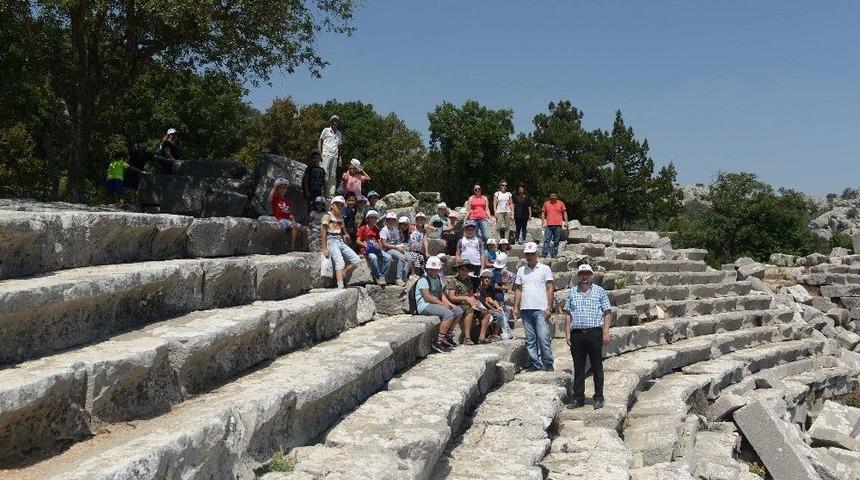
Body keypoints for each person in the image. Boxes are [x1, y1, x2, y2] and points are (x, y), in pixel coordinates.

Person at [565, 264, 613, 410]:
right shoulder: (572, 292)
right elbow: (567, 314)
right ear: (578, 276)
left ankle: (598, 397)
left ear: (592, 275)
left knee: (597, 366)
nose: (584, 277)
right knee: (578, 367)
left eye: (587, 274)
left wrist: (605, 332)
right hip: (577, 334)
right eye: (582, 274)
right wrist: (567, 333)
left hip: (594, 333)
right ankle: (578, 397)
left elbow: (607, 312)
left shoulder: (600, 291)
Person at [513, 241, 555, 371]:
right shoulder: (521, 270)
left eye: (532, 254)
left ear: (537, 254)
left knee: (543, 337)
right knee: (530, 339)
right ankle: (535, 363)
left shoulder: (545, 268)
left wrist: (549, 307)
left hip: (540, 308)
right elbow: (518, 289)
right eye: (527, 254)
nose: (530, 256)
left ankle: (547, 363)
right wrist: (516, 307)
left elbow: (550, 288)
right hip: (526, 309)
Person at [415, 256, 463, 353]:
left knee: (458, 311)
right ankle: (438, 341)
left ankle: (448, 336)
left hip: (435, 302)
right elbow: (427, 297)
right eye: (431, 269)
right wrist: (442, 304)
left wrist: (449, 304)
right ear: (427, 269)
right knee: (448, 314)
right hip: (425, 305)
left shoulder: (437, 278)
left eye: (435, 269)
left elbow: (441, 294)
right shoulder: (423, 280)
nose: (433, 271)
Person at [321, 195, 361, 289]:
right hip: (331, 240)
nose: (339, 206)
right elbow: (323, 231)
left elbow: (342, 227)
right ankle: (340, 286)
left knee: (357, 260)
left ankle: (344, 272)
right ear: (332, 205)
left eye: (341, 205)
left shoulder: (340, 216)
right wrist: (324, 248)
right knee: (340, 262)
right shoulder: (327, 215)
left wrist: (345, 234)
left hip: (340, 240)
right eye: (337, 204)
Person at [268, 177, 308, 251]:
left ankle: (304, 249)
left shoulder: (288, 201)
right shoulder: (275, 198)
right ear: (277, 188)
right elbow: (269, 199)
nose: (282, 189)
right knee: (294, 226)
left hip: (288, 220)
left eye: (284, 187)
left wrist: (293, 220)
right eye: (280, 187)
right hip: (280, 220)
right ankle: (292, 248)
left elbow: (291, 213)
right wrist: (275, 186)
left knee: (304, 229)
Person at [446, 261, 481, 345]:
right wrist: (466, 298)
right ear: (458, 270)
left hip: (466, 303)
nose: (465, 272)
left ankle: (482, 336)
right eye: (463, 270)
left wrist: (474, 299)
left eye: (467, 270)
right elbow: (451, 297)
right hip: (457, 304)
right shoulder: (453, 280)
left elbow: (471, 295)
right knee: (469, 310)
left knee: (485, 312)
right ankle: (467, 337)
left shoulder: (468, 280)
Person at [356, 210, 390, 285]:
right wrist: (365, 245)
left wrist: (380, 245)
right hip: (367, 249)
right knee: (373, 258)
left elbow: (378, 238)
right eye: (372, 217)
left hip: (375, 248)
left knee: (388, 257)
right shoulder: (363, 228)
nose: (374, 219)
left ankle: (382, 276)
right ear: (367, 218)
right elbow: (358, 241)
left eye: (375, 217)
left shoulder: (375, 229)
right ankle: (377, 276)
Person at [478, 269, 512, 342]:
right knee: (498, 315)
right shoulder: (480, 289)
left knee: (504, 313)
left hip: (491, 307)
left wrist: (498, 307)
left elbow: (494, 300)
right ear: (481, 279)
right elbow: (484, 302)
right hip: (484, 308)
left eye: (489, 278)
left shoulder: (491, 288)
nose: (487, 279)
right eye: (485, 277)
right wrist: (494, 309)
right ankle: (493, 334)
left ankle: (497, 333)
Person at [380, 212, 410, 286]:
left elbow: (397, 242)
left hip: (395, 248)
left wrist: (401, 246)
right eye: (389, 220)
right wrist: (396, 247)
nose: (391, 222)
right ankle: (398, 279)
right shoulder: (384, 230)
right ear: (386, 221)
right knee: (402, 257)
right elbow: (384, 244)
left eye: (393, 220)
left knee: (409, 257)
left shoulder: (395, 230)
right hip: (387, 249)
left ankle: (404, 277)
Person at [318, 115, 342, 196]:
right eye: (333, 121)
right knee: (324, 174)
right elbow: (320, 140)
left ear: (338, 123)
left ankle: (330, 195)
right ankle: (321, 192)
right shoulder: (326, 130)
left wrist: (340, 157)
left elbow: (339, 146)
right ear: (331, 122)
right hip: (325, 154)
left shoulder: (339, 134)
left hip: (334, 156)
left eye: (336, 121)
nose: (335, 122)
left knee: (332, 176)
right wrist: (319, 152)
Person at [541, 192, 568, 258]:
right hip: (549, 225)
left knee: (556, 241)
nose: (553, 196)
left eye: (554, 195)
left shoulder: (561, 203)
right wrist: (542, 222)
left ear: (557, 196)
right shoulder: (546, 203)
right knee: (546, 240)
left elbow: (564, 213)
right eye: (551, 195)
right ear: (549, 196)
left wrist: (566, 222)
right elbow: (543, 213)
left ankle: (554, 255)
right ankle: (544, 254)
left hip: (558, 225)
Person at [406, 213, 430, 278]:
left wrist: (426, 252)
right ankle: (412, 274)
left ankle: (417, 275)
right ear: (416, 220)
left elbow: (425, 240)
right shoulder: (412, 228)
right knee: (413, 256)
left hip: (419, 250)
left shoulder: (424, 231)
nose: (420, 221)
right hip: (410, 249)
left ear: (424, 221)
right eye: (419, 219)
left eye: (422, 219)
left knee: (420, 259)